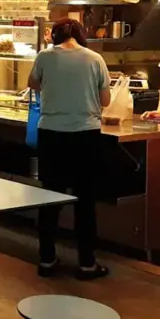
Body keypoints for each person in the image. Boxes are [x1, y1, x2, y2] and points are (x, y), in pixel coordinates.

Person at [27, 18, 111, 281]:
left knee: (50, 199)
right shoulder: (95, 59)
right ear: (80, 35)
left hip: (51, 134)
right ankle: (87, 264)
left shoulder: (44, 56)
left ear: (56, 36)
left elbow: (33, 84)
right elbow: (105, 100)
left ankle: (47, 260)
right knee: (85, 201)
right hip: (86, 135)